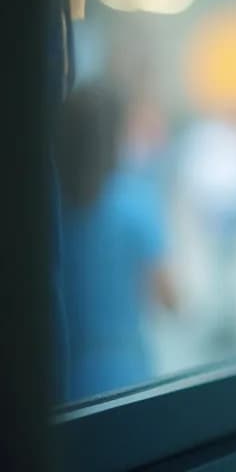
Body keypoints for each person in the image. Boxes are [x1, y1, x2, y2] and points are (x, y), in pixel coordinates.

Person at [55, 81, 178, 402]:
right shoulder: (135, 200)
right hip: (127, 379)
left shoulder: (51, 208)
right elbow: (171, 300)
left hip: (63, 377)